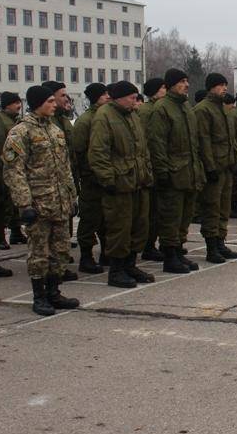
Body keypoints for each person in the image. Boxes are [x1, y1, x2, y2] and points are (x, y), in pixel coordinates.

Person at [2, 85, 79, 315]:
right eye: (50, 101)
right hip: (38, 204)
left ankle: (54, 292)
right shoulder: (21, 132)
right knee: (39, 253)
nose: (54, 104)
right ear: (38, 104)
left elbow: (65, 168)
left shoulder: (55, 130)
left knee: (60, 250)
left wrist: (72, 196)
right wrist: (24, 204)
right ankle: (39, 296)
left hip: (59, 202)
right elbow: (14, 170)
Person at [88, 81, 155, 287]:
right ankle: (116, 271)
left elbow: (143, 149)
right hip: (119, 184)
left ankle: (130, 265)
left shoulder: (133, 116)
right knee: (120, 228)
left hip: (138, 181)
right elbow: (98, 152)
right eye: (132, 98)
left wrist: (147, 173)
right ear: (119, 98)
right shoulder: (104, 116)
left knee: (139, 226)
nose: (136, 101)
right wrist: (108, 180)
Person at [147, 68, 204, 273]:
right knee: (171, 216)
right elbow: (157, 143)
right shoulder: (162, 108)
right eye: (181, 81)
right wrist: (162, 172)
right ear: (171, 84)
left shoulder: (185, 106)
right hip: (172, 173)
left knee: (184, 216)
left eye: (187, 81)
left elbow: (194, 142)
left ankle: (178, 251)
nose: (186, 85)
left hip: (189, 171)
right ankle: (170, 256)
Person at [194, 73, 237, 263]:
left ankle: (220, 242)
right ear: (211, 87)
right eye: (220, 85)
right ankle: (211, 247)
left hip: (226, 165)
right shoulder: (203, 109)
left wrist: (234, 160)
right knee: (211, 208)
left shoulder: (222, 108)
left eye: (225, 85)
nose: (224, 88)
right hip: (214, 167)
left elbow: (230, 139)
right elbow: (203, 141)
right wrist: (209, 167)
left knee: (224, 208)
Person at [41, 81, 79, 280]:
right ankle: (46, 273)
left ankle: (58, 267)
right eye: (62, 95)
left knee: (63, 228)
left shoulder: (62, 122)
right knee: (45, 233)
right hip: (44, 188)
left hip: (64, 181)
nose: (66, 98)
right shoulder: (33, 127)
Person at [71, 83, 110, 275]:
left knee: (106, 218)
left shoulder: (106, 116)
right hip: (91, 179)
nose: (108, 97)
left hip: (105, 177)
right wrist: (87, 174)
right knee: (89, 218)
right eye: (104, 94)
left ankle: (106, 253)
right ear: (96, 97)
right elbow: (78, 151)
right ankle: (86, 257)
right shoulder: (85, 121)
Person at [137, 77, 166, 262]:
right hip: (151, 167)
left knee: (158, 211)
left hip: (157, 164)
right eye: (162, 88)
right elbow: (148, 140)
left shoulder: (157, 108)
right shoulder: (147, 111)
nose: (165, 90)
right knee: (151, 211)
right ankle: (148, 245)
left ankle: (153, 244)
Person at [0, 91, 26, 253]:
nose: (19, 105)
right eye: (15, 103)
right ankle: (0, 237)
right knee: (2, 205)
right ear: (7, 105)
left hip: (14, 167)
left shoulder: (15, 120)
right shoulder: (0, 120)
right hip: (2, 167)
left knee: (13, 202)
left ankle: (15, 232)